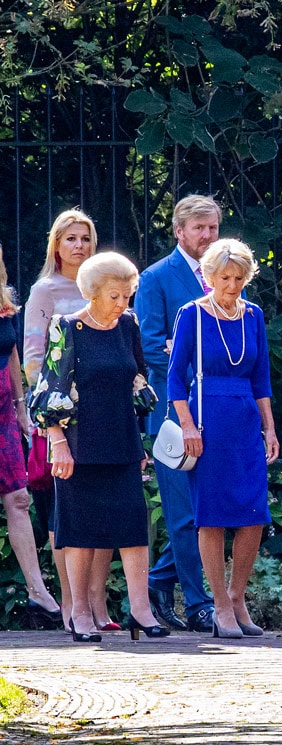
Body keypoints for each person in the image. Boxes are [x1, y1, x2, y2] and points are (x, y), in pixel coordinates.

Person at [30, 252, 168, 643]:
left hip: (122, 437)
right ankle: (80, 613)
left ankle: (141, 611)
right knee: (80, 528)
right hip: (78, 442)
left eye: (128, 295)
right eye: (114, 296)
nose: (122, 303)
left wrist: (140, 441)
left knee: (132, 525)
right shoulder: (67, 328)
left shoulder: (128, 325)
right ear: (92, 292)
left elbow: (138, 381)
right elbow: (50, 390)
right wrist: (58, 443)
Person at [168, 238, 279, 638]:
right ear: (209, 277)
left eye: (239, 277)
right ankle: (218, 605)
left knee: (254, 516)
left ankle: (237, 596)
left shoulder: (253, 315)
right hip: (207, 423)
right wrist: (187, 425)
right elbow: (174, 377)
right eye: (224, 277)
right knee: (211, 518)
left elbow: (261, 376)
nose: (232, 285)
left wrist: (269, 426)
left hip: (246, 419)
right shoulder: (192, 315)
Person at [23, 208, 117, 633]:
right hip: (63, 417)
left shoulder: (106, 287)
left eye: (85, 237)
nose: (79, 245)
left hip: (107, 413)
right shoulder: (45, 290)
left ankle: (98, 603)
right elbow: (32, 361)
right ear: (56, 245)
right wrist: (55, 412)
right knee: (68, 512)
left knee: (106, 509)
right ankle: (71, 603)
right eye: (70, 238)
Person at [134, 195, 219, 632]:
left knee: (211, 511)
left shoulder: (225, 274)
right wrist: (189, 353)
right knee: (185, 511)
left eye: (212, 228)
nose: (207, 236)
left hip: (219, 408)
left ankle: (156, 581)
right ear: (179, 230)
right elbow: (151, 348)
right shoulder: (155, 278)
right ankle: (199, 603)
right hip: (172, 409)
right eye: (199, 228)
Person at [0, 244, 62, 625]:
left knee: (19, 499)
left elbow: (9, 354)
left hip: (4, 410)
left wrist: (22, 406)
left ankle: (37, 591)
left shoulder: (3, 300)